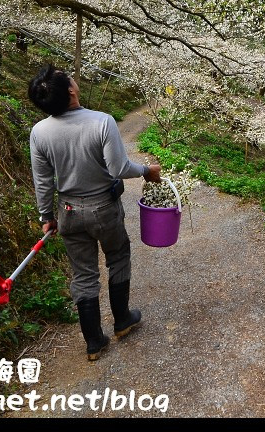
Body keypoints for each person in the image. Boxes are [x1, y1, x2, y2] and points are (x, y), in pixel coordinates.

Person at [27, 64, 162, 361]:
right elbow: (118, 168)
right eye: (70, 79)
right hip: (103, 207)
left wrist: (45, 217)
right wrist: (145, 171)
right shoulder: (102, 121)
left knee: (83, 273)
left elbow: (43, 180)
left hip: (68, 211)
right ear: (72, 91)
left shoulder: (39, 132)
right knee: (118, 257)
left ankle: (94, 342)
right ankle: (122, 320)